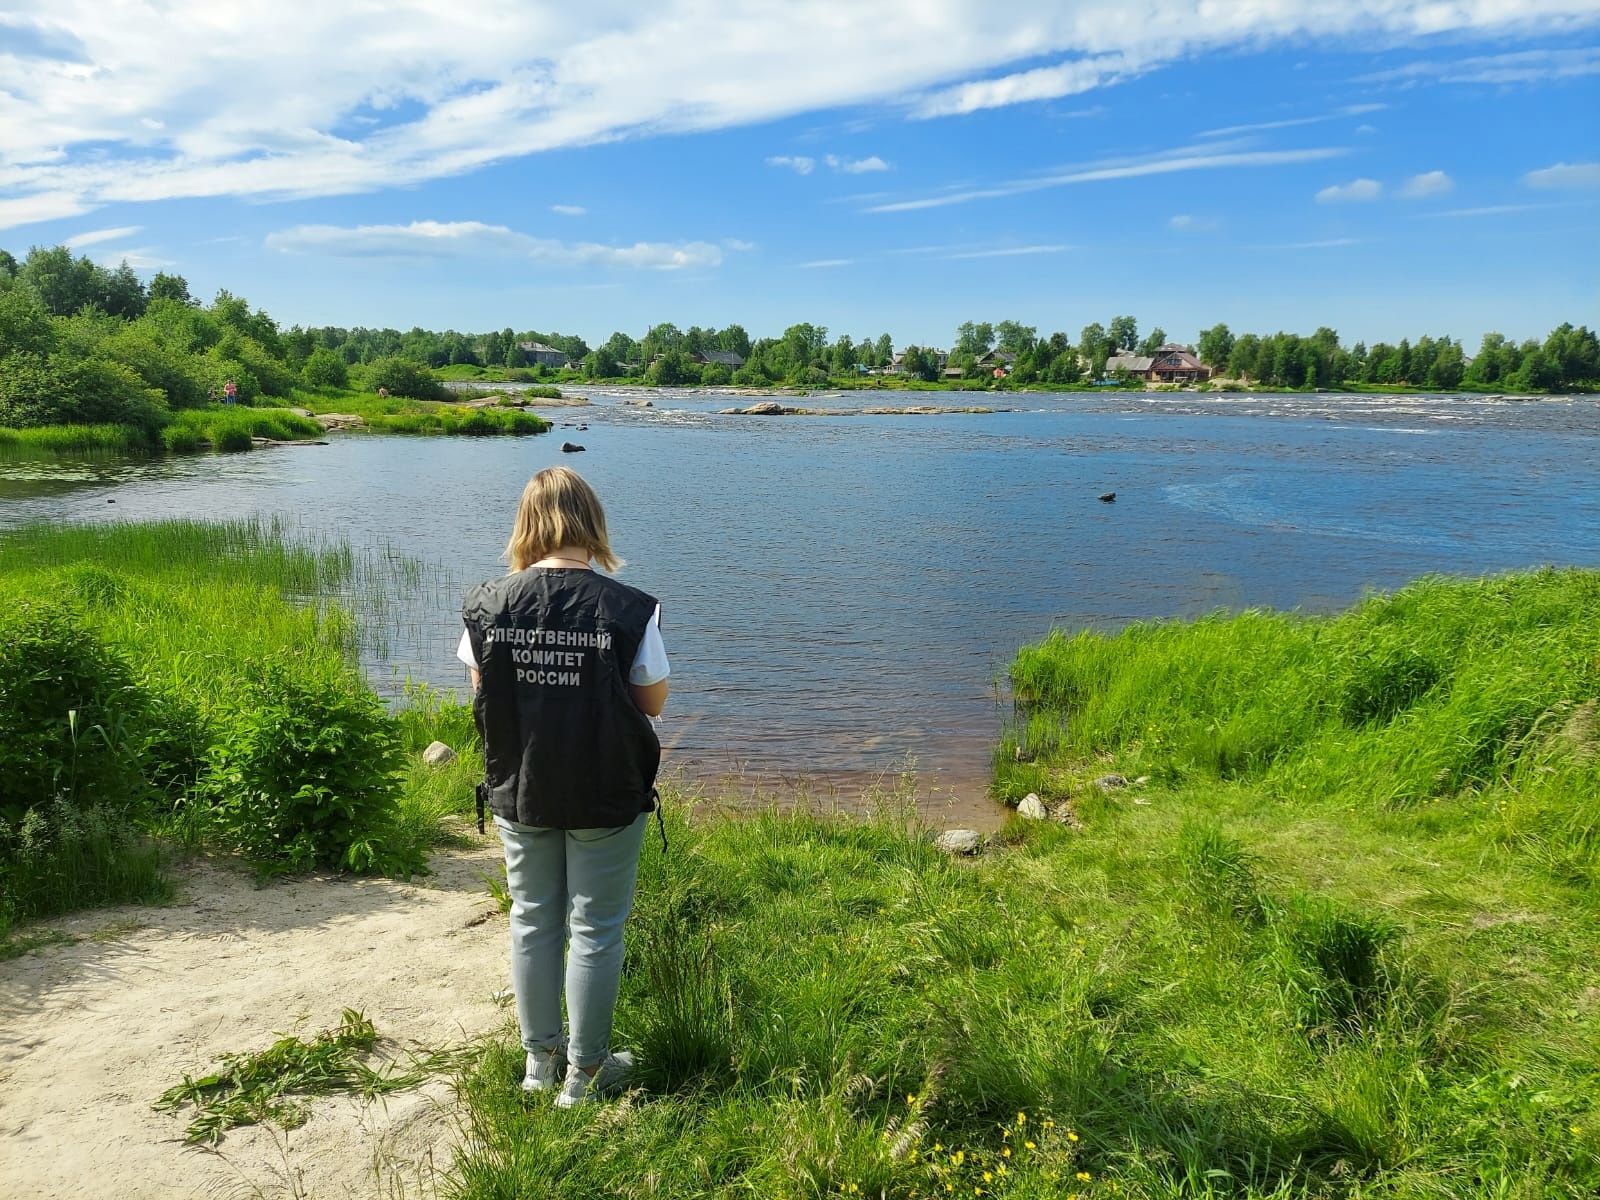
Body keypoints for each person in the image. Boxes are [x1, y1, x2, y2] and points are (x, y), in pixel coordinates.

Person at [459, 467, 669, 1107]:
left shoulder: (488, 603)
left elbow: (481, 691)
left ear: (527, 523)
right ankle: (586, 1074)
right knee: (597, 927)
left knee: (531, 921)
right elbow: (652, 703)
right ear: (591, 524)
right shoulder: (629, 607)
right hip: (606, 792)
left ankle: (538, 1062)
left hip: (522, 790)